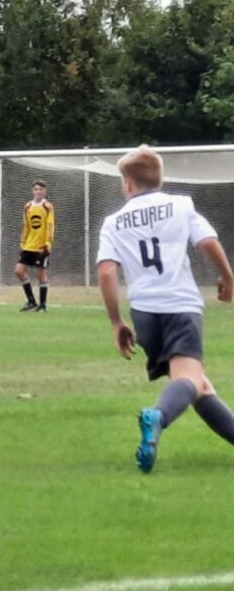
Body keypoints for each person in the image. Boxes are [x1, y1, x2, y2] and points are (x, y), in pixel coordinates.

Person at [96, 145, 234, 473]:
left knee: (198, 385)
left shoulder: (113, 221)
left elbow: (106, 270)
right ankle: (158, 417)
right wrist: (228, 278)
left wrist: (117, 322)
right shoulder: (180, 206)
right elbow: (208, 243)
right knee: (189, 378)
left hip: (144, 313)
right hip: (181, 306)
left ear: (128, 184)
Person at [16, 180, 55, 312]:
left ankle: (43, 305)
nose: (38, 191)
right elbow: (26, 225)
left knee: (41, 275)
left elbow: (50, 225)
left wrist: (48, 243)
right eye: (36, 189)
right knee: (19, 271)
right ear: (32, 191)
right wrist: (22, 241)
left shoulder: (47, 207)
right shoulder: (27, 206)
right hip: (28, 245)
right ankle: (31, 301)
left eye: (40, 189)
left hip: (41, 246)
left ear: (44, 191)